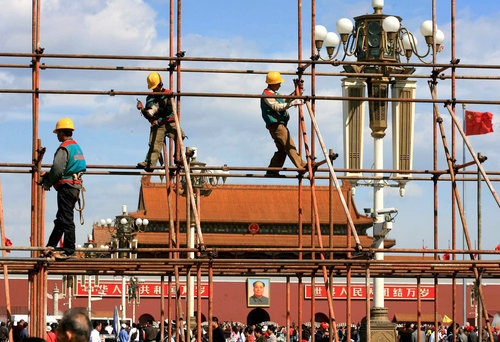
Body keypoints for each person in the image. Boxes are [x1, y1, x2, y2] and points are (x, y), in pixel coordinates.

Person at [41, 118, 86, 260]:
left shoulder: (64, 147)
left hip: (66, 186)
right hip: (75, 185)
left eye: (57, 132)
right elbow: (69, 167)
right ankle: (51, 245)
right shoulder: (76, 147)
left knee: (66, 218)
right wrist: (51, 174)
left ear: (61, 132)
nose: (56, 135)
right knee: (62, 217)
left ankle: (69, 250)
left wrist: (47, 182)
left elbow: (58, 169)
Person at [136, 72, 186, 172]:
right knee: (155, 144)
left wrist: (156, 112)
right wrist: (143, 110)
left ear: (160, 84)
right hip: (158, 124)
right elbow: (149, 114)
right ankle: (150, 163)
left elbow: (167, 110)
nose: (154, 89)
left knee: (180, 135)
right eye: (152, 88)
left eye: (155, 87)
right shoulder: (150, 97)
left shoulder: (168, 93)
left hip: (169, 121)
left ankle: (178, 158)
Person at [260, 71, 307, 176]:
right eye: (278, 83)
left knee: (282, 150)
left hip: (278, 126)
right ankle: (302, 166)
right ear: (272, 83)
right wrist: (291, 103)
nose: (280, 84)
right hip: (277, 126)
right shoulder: (266, 95)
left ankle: (272, 170)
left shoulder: (275, 94)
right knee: (289, 145)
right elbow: (277, 107)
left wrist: (297, 92)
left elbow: (286, 99)